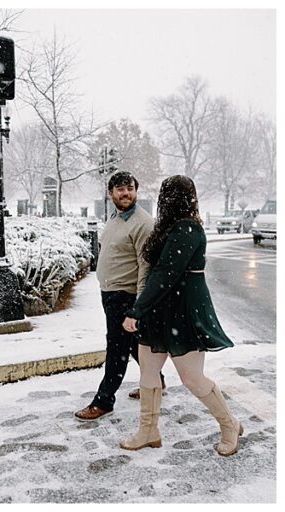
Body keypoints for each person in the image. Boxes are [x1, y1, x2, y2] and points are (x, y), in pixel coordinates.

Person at [120, 175, 241, 456]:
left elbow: (165, 274)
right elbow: (157, 272)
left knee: (192, 378)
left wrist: (137, 310)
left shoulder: (187, 229)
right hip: (160, 310)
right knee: (148, 371)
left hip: (183, 312)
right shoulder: (168, 228)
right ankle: (148, 431)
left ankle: (229, 424)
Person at [75, 171, 164, 421]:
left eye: (130, 188)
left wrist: (138, 306)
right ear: (111, 194)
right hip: (111, 294)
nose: (126, 193)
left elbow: (145, 266)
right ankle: (159, 381)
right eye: (120, 189)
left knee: (116, 348)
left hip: (126, 296)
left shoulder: (143, 223)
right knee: (132, 343)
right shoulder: (115, 218)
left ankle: (104, 401)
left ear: (136, 191)